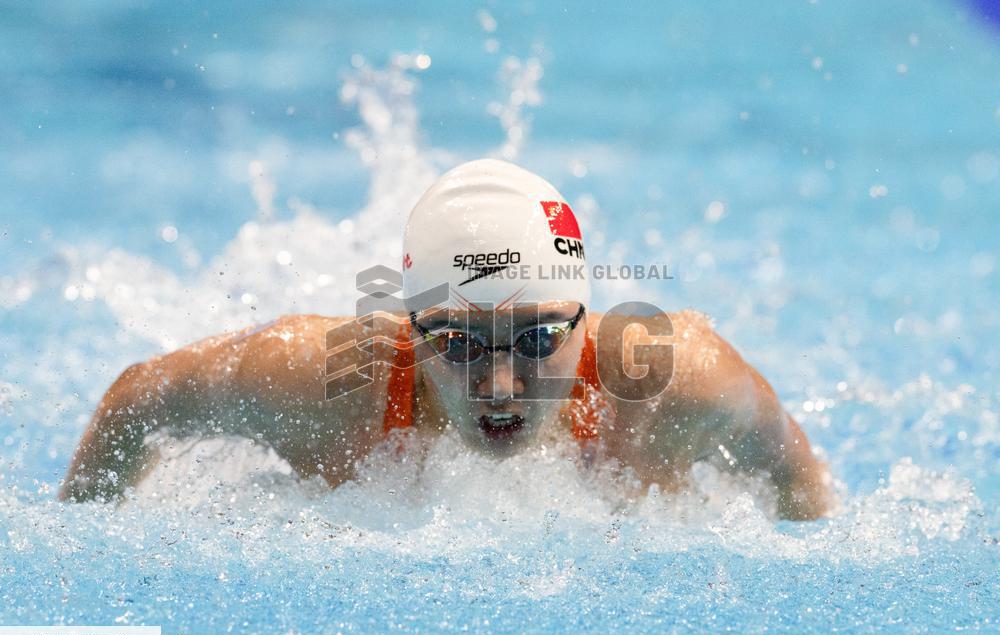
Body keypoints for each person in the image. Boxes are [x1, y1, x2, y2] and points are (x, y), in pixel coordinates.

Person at [60, 159, 832, 519]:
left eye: (535, 340)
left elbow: (797, 479)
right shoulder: (322, 380)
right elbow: (137, 397)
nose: (499, 386)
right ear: (409, 329)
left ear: (586, 321)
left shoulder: (675, 380)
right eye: (459, 343)